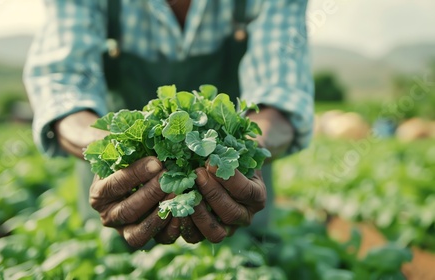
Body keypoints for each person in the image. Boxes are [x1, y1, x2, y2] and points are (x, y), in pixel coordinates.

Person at [24, 0, 314, 248]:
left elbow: (281, 92)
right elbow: (62, 84)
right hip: (120, 201)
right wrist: (116, 158)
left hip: (234, 202)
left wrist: (246, 151)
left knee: (243, 262)